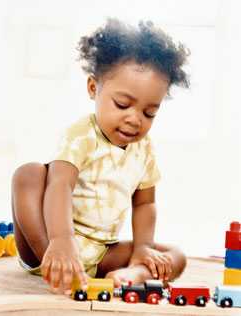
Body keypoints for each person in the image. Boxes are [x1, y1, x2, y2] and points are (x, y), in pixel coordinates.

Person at [11, 18, 190, 296]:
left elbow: (145, 204)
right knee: (29, 173)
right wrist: (61, 240)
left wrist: (142, 248)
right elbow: (60, 186)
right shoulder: (81, 136)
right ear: (94, 88)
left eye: (149, 113)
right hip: (49, 241)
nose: (134, 119)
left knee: (174, 255)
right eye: (122, 104)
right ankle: (59, 263)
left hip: (102, 253)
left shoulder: (145, 150)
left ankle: (134, 274)